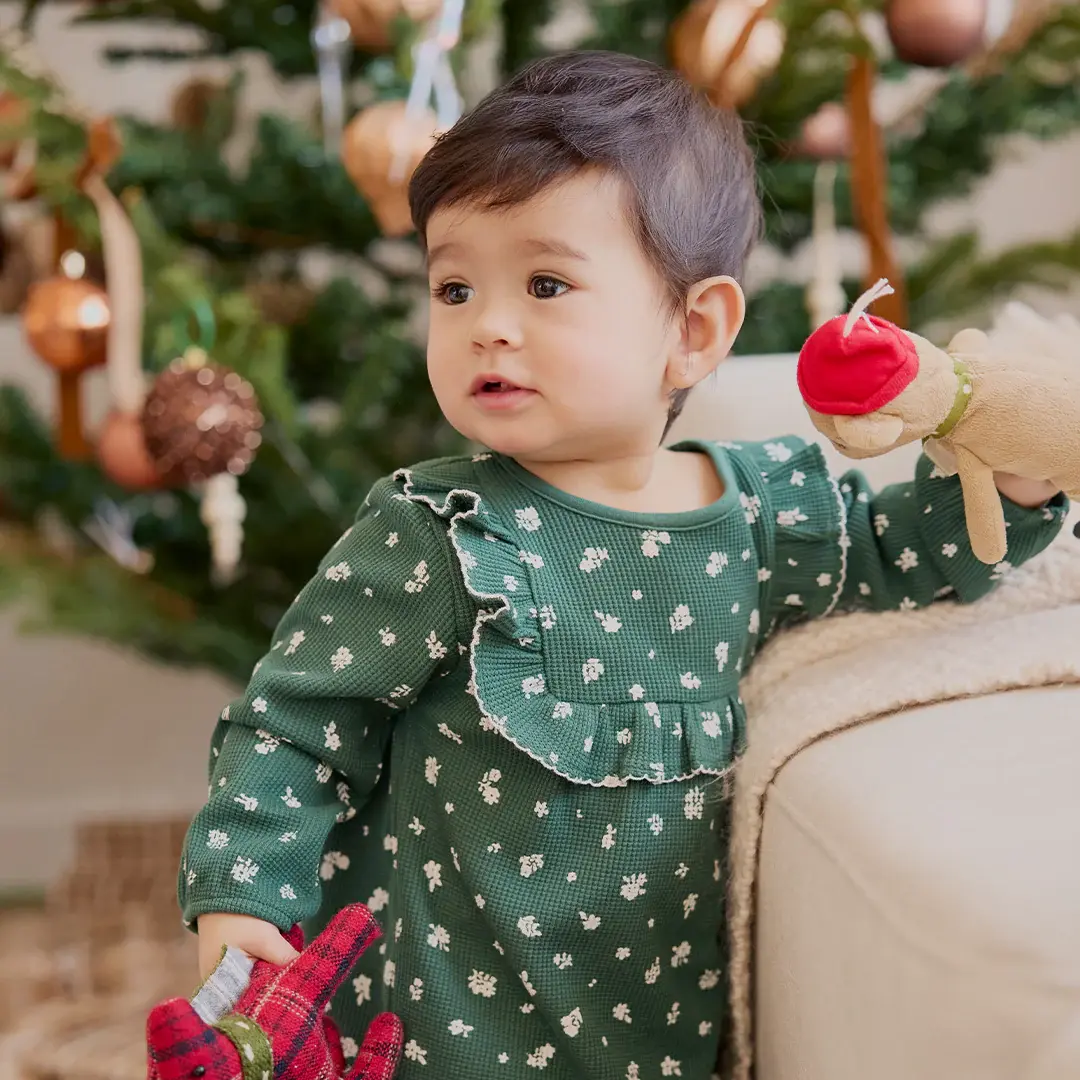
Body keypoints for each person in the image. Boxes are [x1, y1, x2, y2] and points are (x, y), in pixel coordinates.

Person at [181, 51, 1067, 1080]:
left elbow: (904, 554)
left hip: (655, 1042)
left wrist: (1016, 473)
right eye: (454, 288)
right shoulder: (440, 532)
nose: (487, 326)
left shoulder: (758, 515)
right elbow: (293, 724)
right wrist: (242, 894)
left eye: (546, 284)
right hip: (435, 1037)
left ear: (693, 331)